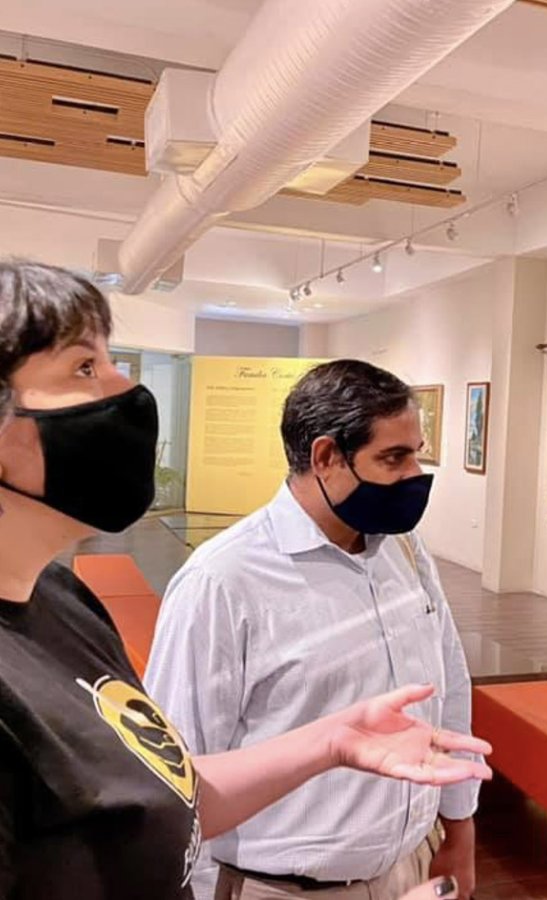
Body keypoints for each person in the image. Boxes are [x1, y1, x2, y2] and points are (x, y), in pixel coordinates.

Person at [0, 261, 489, 900]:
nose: (126, 387)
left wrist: (333, 741)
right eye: (84, 367)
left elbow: (167, 786)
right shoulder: (220, 579)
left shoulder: (64, 604)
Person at [146, 360, 482, 900]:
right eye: (394, 457)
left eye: (417, 451)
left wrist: (459, 828)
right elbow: (174, 769)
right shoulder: (222, 581)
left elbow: (450, 690)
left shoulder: (405, 551)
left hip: (411, 868)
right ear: (326, 457)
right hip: (280, 887)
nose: (414, 474)